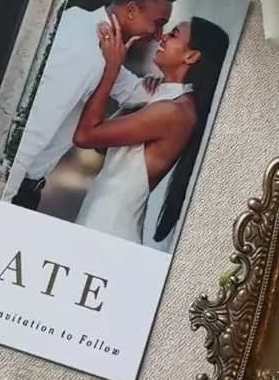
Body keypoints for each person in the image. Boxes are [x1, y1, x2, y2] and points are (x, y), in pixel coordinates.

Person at [5, 0, 176, 209]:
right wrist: (1, 201)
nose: (159, 36)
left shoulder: (90, 31)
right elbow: (31, 132)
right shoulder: (85, 50)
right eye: (158, 24)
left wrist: (170, 81)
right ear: (130, 11)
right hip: (14, 188)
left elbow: (132, 92)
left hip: (25, 186)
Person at [72, 15, 229, 245]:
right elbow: (104, 149)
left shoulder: (174, 111)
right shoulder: (165, 99)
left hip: (109, 228)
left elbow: (85, 136)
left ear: (192, 56)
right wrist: (144, 101)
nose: (163, 36)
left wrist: (112, 67)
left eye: (174, 34)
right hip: (100, 217)